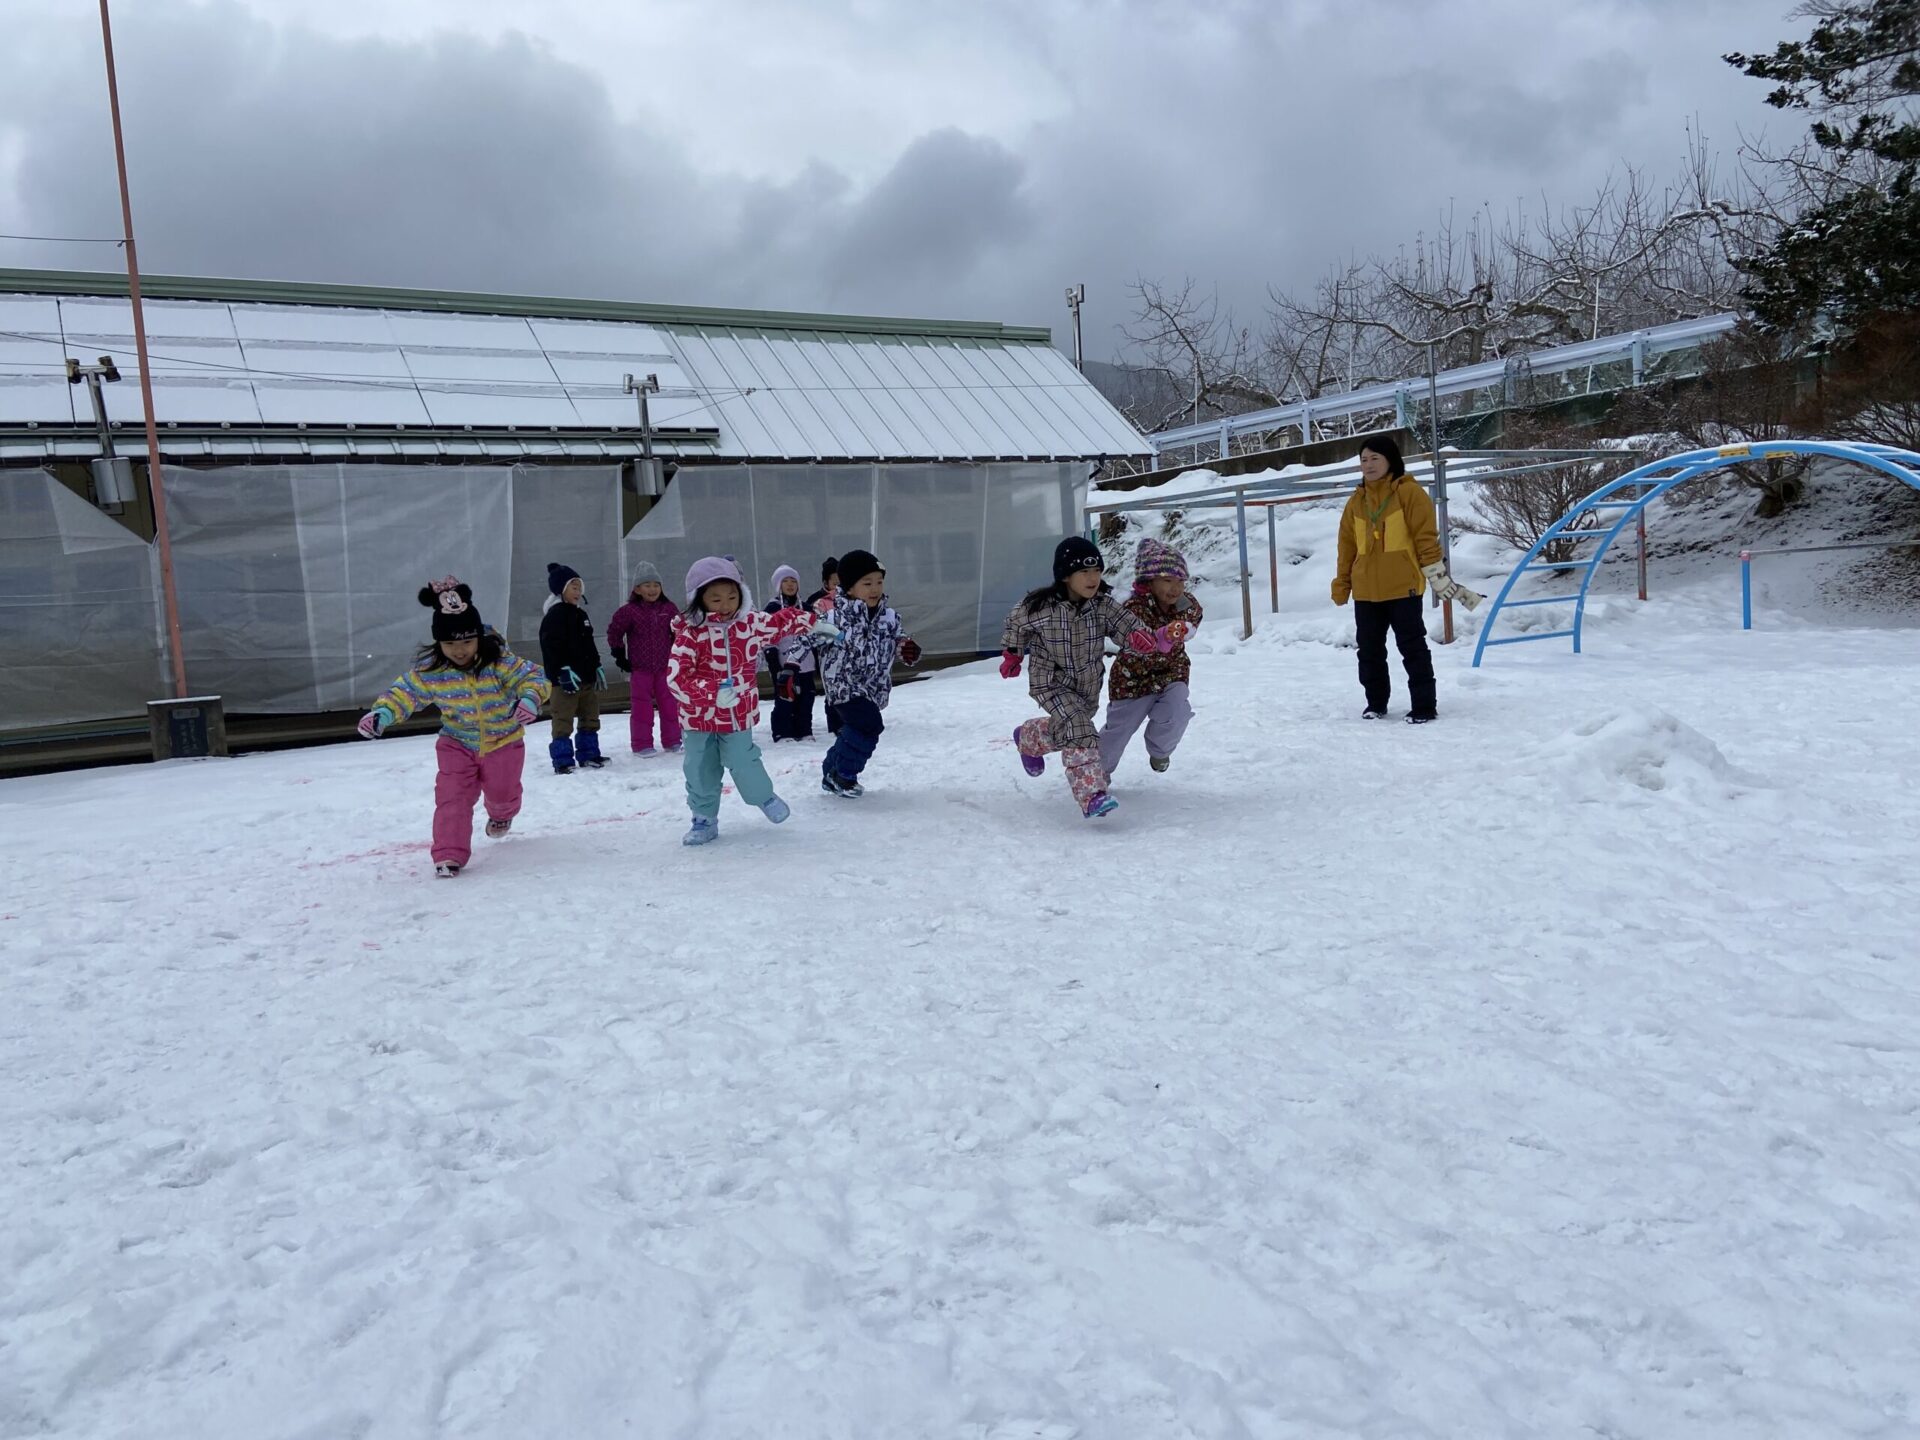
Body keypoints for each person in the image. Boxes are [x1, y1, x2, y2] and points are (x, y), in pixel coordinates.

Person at [356, 577, 550, 878]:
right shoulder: (431, 671)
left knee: (502, 793)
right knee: (452, 797)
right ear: (439, 643)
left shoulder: (498, 663)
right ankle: (449, 853)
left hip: (504, 741)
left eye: (466, 643)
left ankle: (502, 814)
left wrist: (530, 698)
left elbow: (533, 677)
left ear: (478, 638)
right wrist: (383, 713)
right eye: (449, 644)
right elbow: (404, 692)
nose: (459, 651)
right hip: (456, 744)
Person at [1001, 536, 1186, 820]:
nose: (1092, 578)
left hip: (1086, 685)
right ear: (1066, 575)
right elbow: (1016, 623)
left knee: (1073, 730)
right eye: (1084, 572)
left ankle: (1029, 737)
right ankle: (1092, 795)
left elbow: (1126, 624)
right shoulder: (1041, 607)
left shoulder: (1102, 606)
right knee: (1079, 726)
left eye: (1097, 571)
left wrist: (1141, 637)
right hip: (1050, 682)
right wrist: (1012, 654)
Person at [667, 555, 840, 846]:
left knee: (743, 759)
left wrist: (812, 623)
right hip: (698, 719)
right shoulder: (690, 635)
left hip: (736, 714)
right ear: (698, 599)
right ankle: (704, 818)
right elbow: (677, 677)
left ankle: (763, 796)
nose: (726, 605)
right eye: (716, 599)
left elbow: (779, 622)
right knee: (699, 768)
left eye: (732, 597)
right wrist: (711, 694)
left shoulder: (748, 624)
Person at [1330, 435, 1456, 724]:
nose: (1368, 465)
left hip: (1403, 587)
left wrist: (1437, 576)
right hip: (1366, 591)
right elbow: (1346, 547)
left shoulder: (1409, 493)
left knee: (1412, 648)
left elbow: (1426, 539)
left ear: (1391, 460)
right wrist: (1342, 582)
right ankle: (1375, 703)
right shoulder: (1356, 501)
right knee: (1369, 651)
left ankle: (1424, 706)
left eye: (1375, 458)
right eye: (1364, 460)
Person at [817, 548, 921, 797]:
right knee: (870, 726)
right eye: (867, 583)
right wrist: (789, 669)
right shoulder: (834, 619)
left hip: (872, 687)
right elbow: (805, 640)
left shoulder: (889, 617)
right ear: (849, 587)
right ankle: (844, 776)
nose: (875, 589)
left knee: (856, 728)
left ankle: (830, 771)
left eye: (879, 582)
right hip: (842, 685)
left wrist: (907, 649)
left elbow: (899, 640)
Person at [1098, 537, 1203, 777]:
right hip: (1133, 680)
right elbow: (1132, 634)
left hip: (1172, 674)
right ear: (1149, 581)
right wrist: (1161, 635)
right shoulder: (1134, 607)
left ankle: (1160, 750)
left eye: (1180, 581)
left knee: (1177, 710)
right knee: (1119, 731)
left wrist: (1187, 626)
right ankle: (1097, 773)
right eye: (1167, 581)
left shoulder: (1184, 603)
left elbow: (1194, 614)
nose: (1175, 588)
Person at [606, 562, 682, 756]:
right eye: (647, 585)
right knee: (641, 708)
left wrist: (679, 653)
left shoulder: (669, 608)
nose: (652, 589)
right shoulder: (629, 611)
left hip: (665, 667)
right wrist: (619, 654)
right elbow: (614, 631)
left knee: (670, 705)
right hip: (640, 668)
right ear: (637, 589)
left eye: (656, 585)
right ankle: (641, 744)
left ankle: (673, 740)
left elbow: (680, 631)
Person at [540, 562, 609, 770]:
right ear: (561, 589)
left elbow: (589, 643)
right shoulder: (554, 616)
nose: (578, 592)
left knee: (590, 716)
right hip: (565, 681)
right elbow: (550, 647)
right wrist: (561, 670)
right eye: (574, 587)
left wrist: (596, 665)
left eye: (580, 588)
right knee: (563, 719)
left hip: (585, 677)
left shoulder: (581, 615)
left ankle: (589, 754)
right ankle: (562, 760)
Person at [763, 564, 820, 742]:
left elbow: (815, 634)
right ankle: (782, 731)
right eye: (785, 581)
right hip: (784, 661)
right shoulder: (772, 609)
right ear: (778, 585)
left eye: (793, 581)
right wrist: (773, 662)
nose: (790, 584)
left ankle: (804, 730)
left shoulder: (807, 608)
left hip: (806, 662)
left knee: (807, 697)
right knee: (785, 697)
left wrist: (817, 658)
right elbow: (768, 637)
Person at [804, 557, 844, 736]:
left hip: (850, 652)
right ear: (826, 583)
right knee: (833, 689)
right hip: (828, 652)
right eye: (835, 583)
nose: (839, 587)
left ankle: (850, 722)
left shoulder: (852, 599)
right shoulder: (818, 602)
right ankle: (835, 725)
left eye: (842, 583)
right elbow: (815, 629)